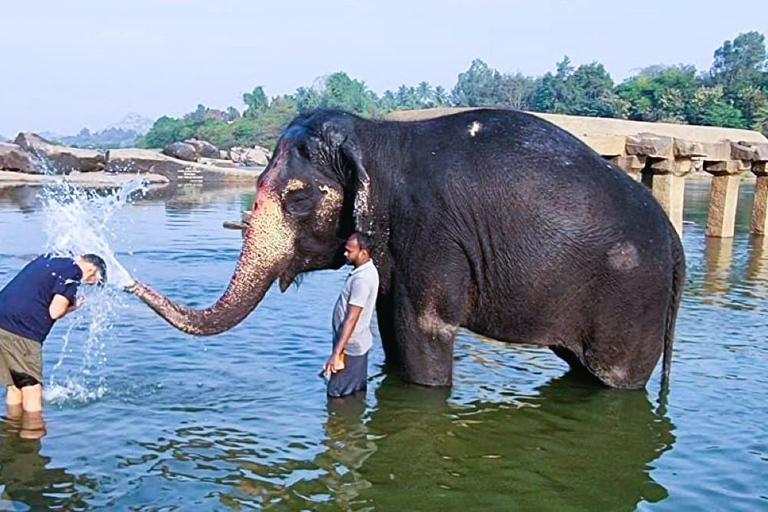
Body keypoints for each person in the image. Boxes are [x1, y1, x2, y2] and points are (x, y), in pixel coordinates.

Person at [0, 253, 106, 414]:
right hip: (22, 331)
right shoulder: (74, 272)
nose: (88, 284)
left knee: (15, 386)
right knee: (32, 388)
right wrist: (74, 305)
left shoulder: (50, 259)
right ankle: (32, 432)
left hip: (2, 322)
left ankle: (12, 428)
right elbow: (55, 311)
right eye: (93, 282)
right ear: (92, 270)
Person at [324, 232, 379, 398]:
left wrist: (336, 353)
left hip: (350, 348)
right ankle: (354, 421)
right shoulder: (369, 270)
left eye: (350, 251)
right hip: (359, 344)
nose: (345, 254)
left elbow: (352, 318)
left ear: (363, 252)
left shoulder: (361, 280)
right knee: (355, 391)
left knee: (336, 395)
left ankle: (339, 422)